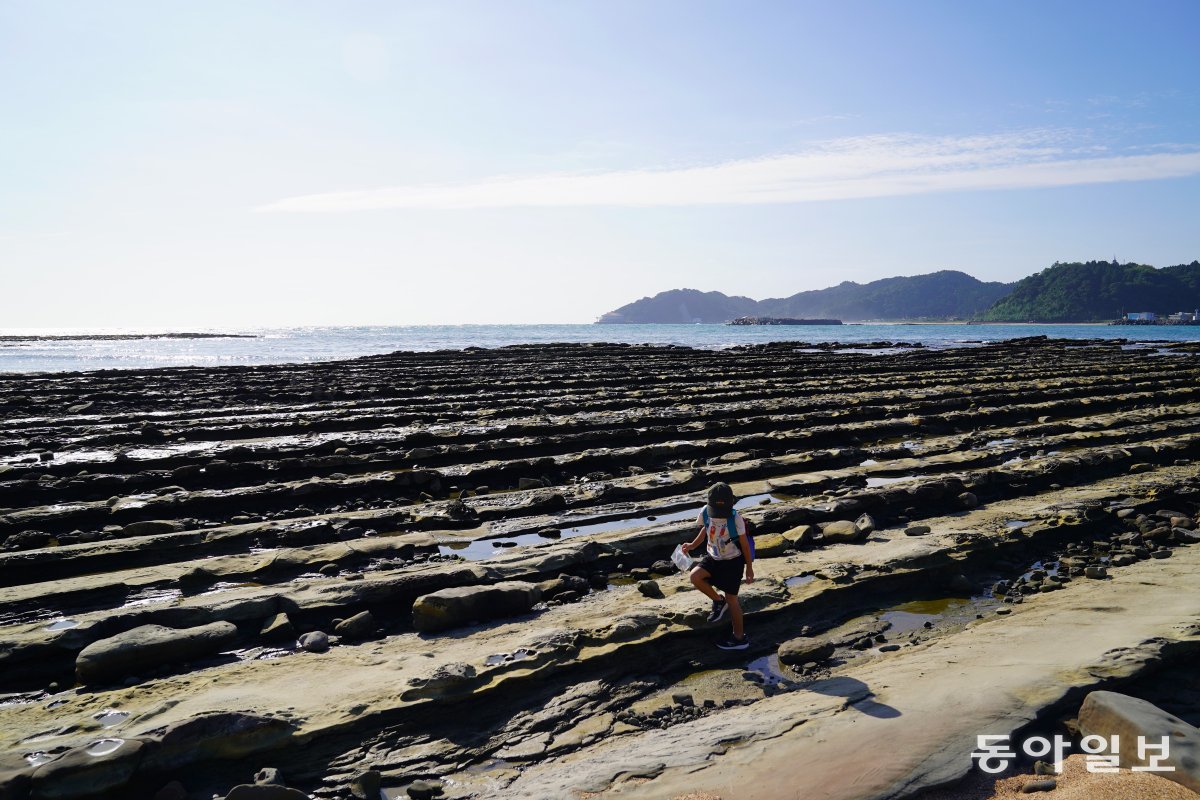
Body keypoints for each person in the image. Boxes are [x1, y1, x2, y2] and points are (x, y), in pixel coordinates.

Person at [680, 482, 754, 650]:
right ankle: (718, 601)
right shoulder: (706, 512)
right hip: (712, 557)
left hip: (732, 562)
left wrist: (749, 568)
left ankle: (739, 638)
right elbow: (706, 529)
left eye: (722, 512)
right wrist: (692, 545)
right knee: (695, 576)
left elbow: (744, 545)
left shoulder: (736, 519)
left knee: (733, 600)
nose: (719, 516)